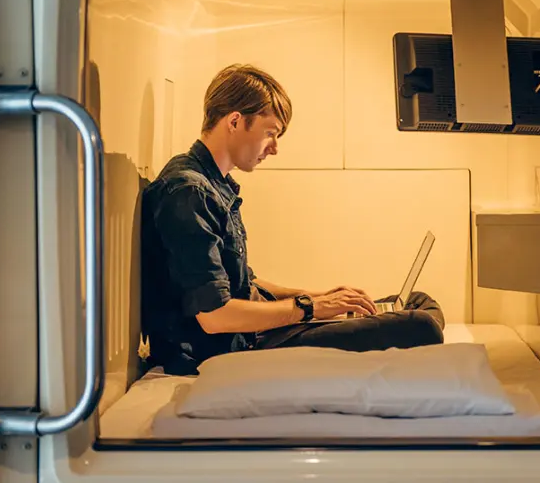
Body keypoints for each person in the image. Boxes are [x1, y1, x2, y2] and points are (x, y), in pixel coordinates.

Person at [140, 64, 445, 375]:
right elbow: (215, 316)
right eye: (270, 133)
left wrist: (317, 297)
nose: (274, 148)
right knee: (422, 325)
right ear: (234, 121)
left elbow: (242, 281)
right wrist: (310, 309)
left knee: (416, 301)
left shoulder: (210, 183)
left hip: (251, 334)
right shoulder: (189, 192)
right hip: (232, 350)